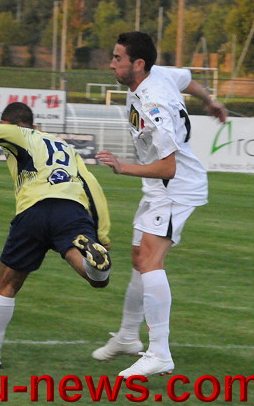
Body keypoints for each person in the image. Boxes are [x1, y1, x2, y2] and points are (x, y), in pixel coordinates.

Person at [92, 31, 226, 378]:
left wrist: (122, 167)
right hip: (158, 187)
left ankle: (159, 353)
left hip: (174, 188)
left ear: (138, 64)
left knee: (151, 259)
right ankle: (127, 336)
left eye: (118, 58)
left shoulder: (154, 106)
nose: (112, 64)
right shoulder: (159, 73)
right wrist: (210, 100)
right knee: (139, 257)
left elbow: (169, 167)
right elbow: (187, 79)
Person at [0, 102, 112, 369]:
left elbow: (8, 132)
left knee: (7, 282)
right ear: (36, 125)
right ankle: (97, 265)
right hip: (71, 209)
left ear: (10, 124)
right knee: (95, 280)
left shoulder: (21, 134)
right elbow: (91, 184)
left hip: (34, 209)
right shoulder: (66, 147)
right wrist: (101, 233)